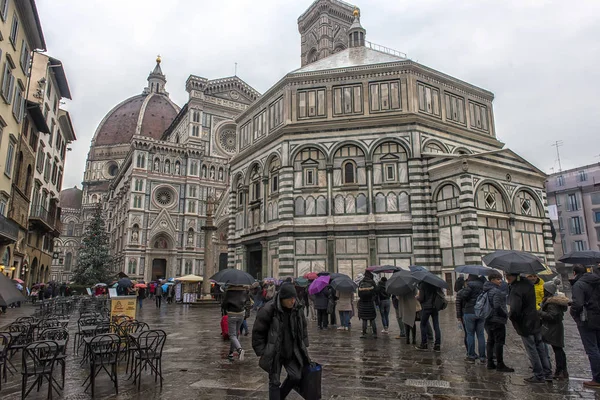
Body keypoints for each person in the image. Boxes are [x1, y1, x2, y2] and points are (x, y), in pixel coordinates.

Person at [252, 283, 310, 400]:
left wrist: (304, 344)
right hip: (274, 352)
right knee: (274, 382)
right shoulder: (268, 310)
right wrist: (263, 352)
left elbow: (302, 326)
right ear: (282, 298)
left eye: (294, 298)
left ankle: (280, 396)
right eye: (290, 299)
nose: (293, 301)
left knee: (296, 376)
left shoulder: (297, 308)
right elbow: (258, 332)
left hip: (291, 350)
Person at [507, 273, 552, 383]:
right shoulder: (528, 284)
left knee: (531, 348)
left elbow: (515, 309)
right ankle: (547, 372)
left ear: (511, 277)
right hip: (535, 319)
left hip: (525, 322)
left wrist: (512, 318)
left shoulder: (516, 288)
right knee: (540, 346)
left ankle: (539, 374)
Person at [570, 266, 600, 388]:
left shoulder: (579, 284)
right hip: (598, 316)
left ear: (574, 272)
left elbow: (578, 304)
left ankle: (597, 378)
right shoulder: (597, 280)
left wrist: (573, 313)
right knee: (598, 346)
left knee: (592, 349)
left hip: (587, 319)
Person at [483, 271, 514, 372]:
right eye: (498, 279)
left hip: (487, 319)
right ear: (492, 280)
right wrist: (505, 314)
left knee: (490, 341)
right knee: (499, 342)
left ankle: (490, 363)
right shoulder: (496, 291)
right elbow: (497, 306)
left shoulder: (486, 290)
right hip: (496, 320)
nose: (500, 281)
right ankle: (500, 364)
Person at [539, 280, 569, 380]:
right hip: (555, 328)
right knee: (558, 349)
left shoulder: (552, 303)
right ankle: (562, 371)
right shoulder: (553, 301)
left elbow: (552, 316)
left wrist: (540, 313)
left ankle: (560, 370)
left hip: (554, 329)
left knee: (558, 349)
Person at [457, 275, 486, 363]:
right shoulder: (483, 285)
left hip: (469, 311)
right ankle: (482, 357)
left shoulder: (470, 285)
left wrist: (463, 290)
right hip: (481, 312)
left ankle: (471, 356)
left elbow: (464, 296)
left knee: (470, 334)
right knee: (481, 335)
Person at [222, 284, 250, 361]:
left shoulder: (229, 292)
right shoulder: (244, 291)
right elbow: (248, 303)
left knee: (232, 335)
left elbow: (224, 304)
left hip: (232, 314)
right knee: (235, 335)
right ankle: (231, 353)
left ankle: (239, 350)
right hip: (241, 314)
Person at [416, 281, 442, 351]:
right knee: (436, 325)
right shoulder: (435, 283)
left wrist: (417, 297)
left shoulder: (422, 284)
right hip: (435, 307)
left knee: (423, 324)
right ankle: (437, 344)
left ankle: (424, 344)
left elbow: (421, 298)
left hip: (426, 307)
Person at [357, 270, 378, 339]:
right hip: (370, 303)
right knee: (372, 318)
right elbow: (376, 292)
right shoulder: (372, 282)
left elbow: (359, 294)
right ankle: (375, 333)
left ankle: (364, 333)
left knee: (364, 319)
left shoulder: (361, 283)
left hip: (363, 303)